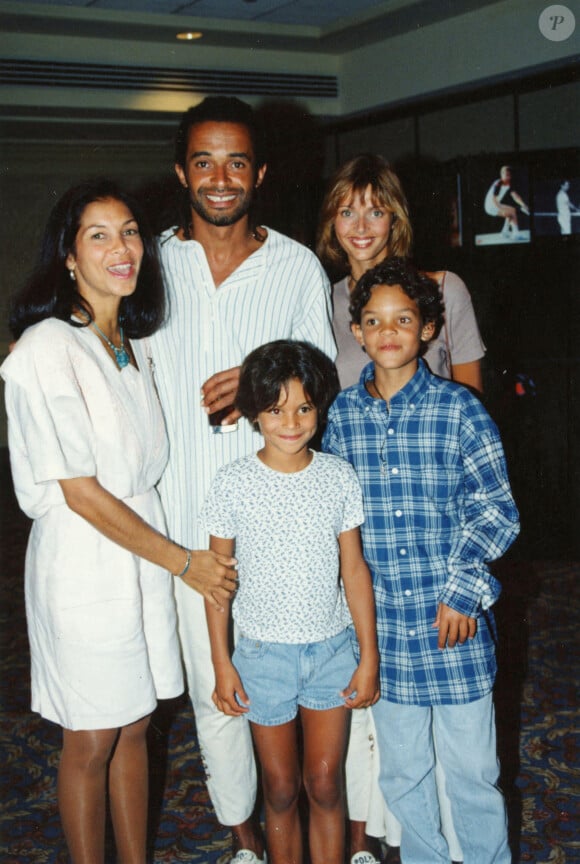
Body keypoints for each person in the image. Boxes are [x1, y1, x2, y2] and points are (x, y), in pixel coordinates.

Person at [0, 180, 237, 864]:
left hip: (140, 550)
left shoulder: (134, 343)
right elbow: (79, 491)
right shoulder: (48, 345)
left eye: (130, 231)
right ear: (68, 257)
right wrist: (184, 562)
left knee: (137, 724)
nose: (121, 247)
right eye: (98, 235)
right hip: (83, 560)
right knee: (92, 736)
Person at [150, 96, 336, 863]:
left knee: (306, 676)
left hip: (284, 516)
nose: (220, 178)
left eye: (236, 162)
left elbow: (322, 379)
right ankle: (246, 839)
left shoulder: (296, 265)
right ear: (181, 171)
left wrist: (263, 382)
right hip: (184, 516)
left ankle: (328, 827)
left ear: (259, 172)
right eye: (204, 161)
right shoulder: (150, 262)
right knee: (215, 691)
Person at [323, 257, 520, 864]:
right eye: (374, 321)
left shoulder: (461, 411)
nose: (388, 332)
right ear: (356, 332)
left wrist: (464, 588)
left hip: (452, 630)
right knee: (403, 777)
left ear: (428, 328)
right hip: (385, 638)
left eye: (403, 319)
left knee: (472, 774)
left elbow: (497, 508)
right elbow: (330, 518)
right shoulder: (339, 421)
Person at [317, 152, 485, 862]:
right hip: (373, 546)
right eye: (347, 209)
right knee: (400, 746)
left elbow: (474, 405)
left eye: (375, 208)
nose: (361, 224)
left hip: (439, 523)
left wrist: (466, 563)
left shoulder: (444, 288)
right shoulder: (324, 301)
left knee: (469, 760)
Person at [203, 340, 380, 864]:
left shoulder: (337, 477)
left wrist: (366, 655)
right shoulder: (233, 483)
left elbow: (354, 569)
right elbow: (219, 583)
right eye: (276, 409)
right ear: (256, 412)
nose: (292, 421)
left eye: (304, 407)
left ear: (319, 408)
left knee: (325, 785)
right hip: (262, 658)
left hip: (330, 652)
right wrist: (221, 662)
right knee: (280, 790)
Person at [483, 165, 530, 240]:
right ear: (501, 175)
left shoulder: (509, 184)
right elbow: (494, 199)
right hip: (490, 206)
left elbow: (516, 197)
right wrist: (501, 209)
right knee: (512, 212)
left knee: (511, 211)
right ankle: (516, 234)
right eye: (506, 175)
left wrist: (524, 205)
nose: (508, 177)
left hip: (496, 205)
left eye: (509, 175)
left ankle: (504, 232)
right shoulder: (498, 183)